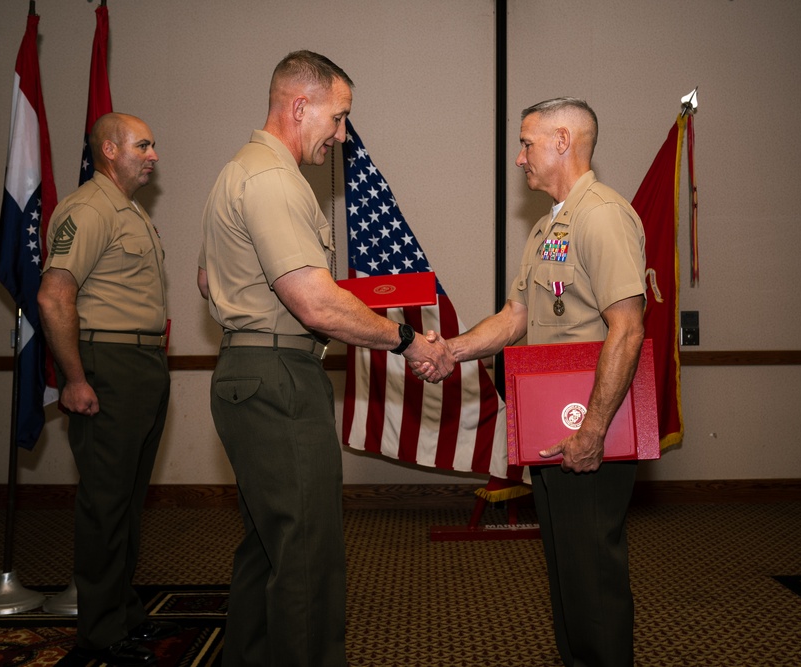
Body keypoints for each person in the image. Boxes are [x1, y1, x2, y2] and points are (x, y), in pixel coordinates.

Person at [198, 50, 454, 667]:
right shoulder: (273, 180)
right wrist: (407, 340)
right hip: (277, 377)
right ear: (299, 105)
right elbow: (314, 304)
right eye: (338, 118)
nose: (341, 136)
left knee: (269, 547)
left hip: (252, 369)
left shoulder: (239, 171)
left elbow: (208, 280)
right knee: (307, 555)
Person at [429, 98, 646, 667]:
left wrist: (593, 429)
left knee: (593, 578)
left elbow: (627, 329)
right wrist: (451, 350)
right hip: (554, 431)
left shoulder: (603, 216)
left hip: (591, 428)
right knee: (569, 575)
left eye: (527, 143)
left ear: (564, 140)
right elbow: (517, 316)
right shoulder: (552, 223)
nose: (519, 157)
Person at [38, 112, 177, 667]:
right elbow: (53, 297)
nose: (153, 155)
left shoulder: (129, 212)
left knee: (126, 501)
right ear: (110, 149)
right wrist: (75, 379)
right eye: (143, 144)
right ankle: (99, 631)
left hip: (140, 364)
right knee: (105, 503)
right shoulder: (90, 208)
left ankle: (122, 613)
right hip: (108, 364)